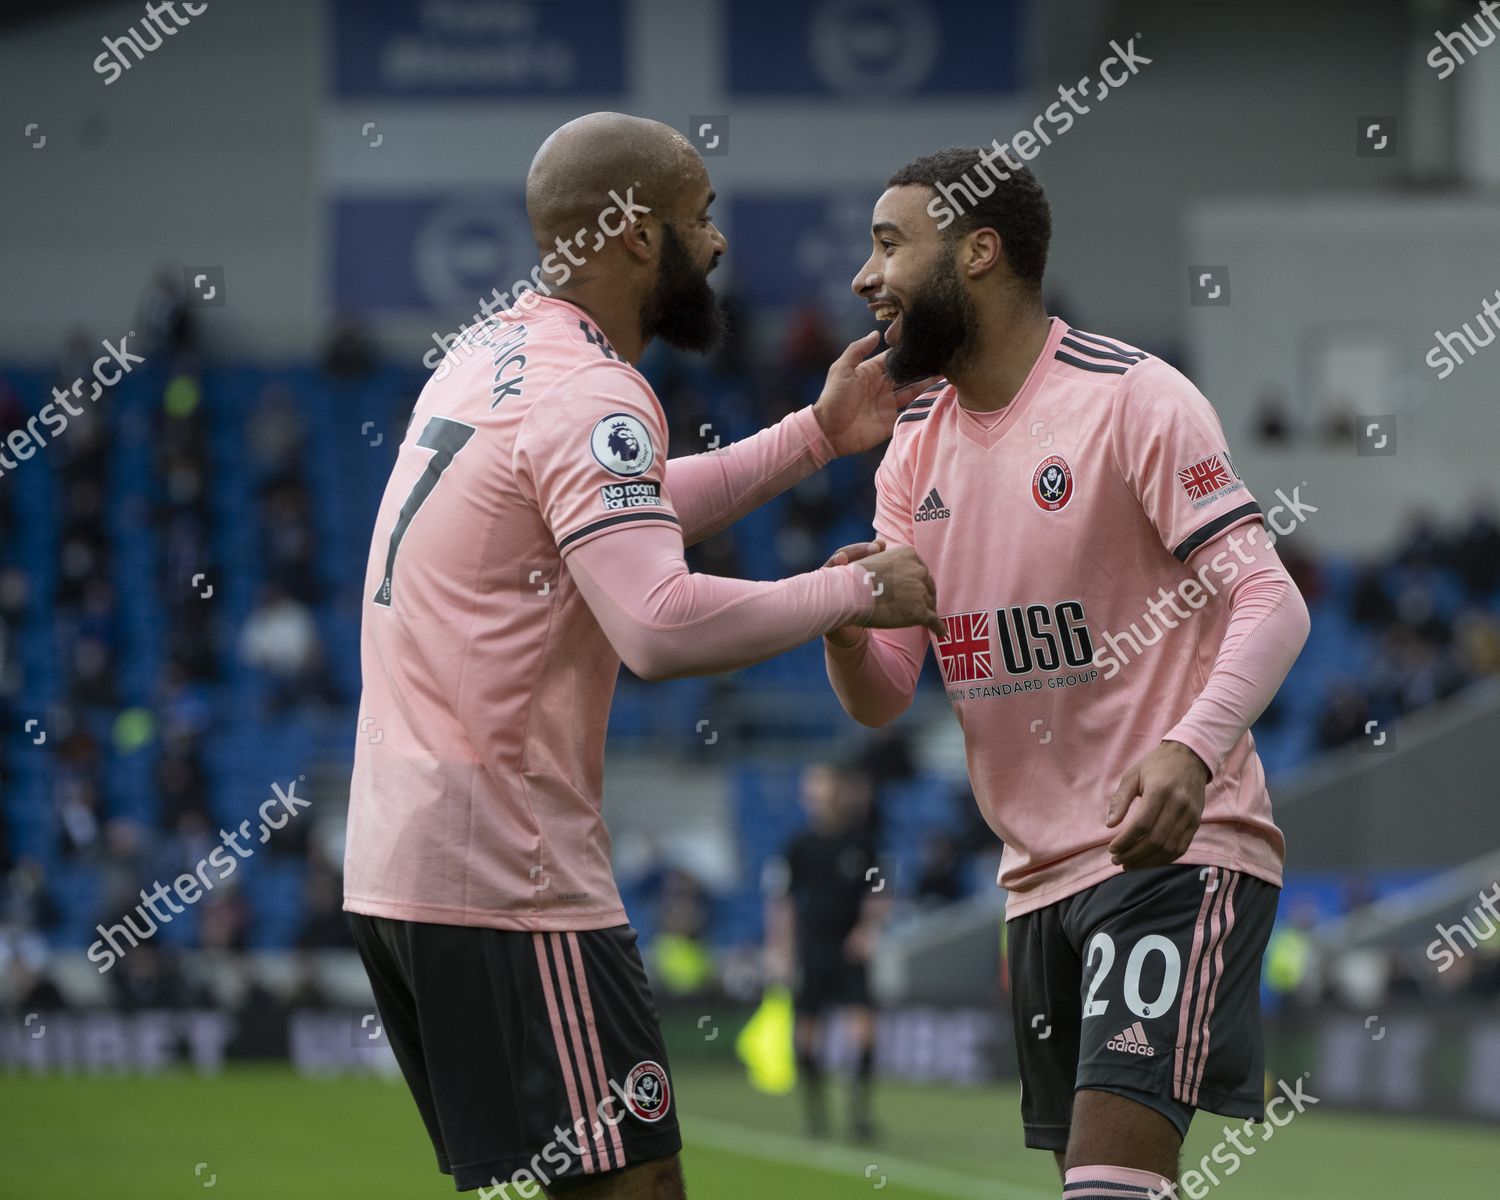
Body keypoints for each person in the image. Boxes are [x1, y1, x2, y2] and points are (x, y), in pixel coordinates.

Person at [342, 112, 941, 1199]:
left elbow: (619, 518)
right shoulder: (595, 391)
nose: (714, 245)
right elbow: (657, 621)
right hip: (507, 875)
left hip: (403, 863)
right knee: (634, 1186)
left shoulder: (487, 358)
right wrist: (853, 589)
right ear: (630, 232)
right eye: (698, 217)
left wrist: (813, 436)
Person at [821, 148, 1310, 1199]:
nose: (866, 278)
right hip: (1036, 877)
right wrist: (844, 627)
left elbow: (1273, 598)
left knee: (1107, 1186)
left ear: (980, 252)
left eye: (890, 243)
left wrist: (1191, 747)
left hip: (1171, 851)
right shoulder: (913, 450)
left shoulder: (1132, 398)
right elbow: (886, 693)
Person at [764, 763, 888, 1141]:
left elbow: (882, 888)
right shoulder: (797, 846)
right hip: (812, 950)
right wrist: (781, 950)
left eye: (822, 787)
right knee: (806, 1035)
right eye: (811, 789)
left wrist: (868, 929)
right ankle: (815, 1115)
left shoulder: (862, 842)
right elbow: (780, 901)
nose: (817, 796)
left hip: (850, 951)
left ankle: (859, 1114)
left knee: (864, 1032)